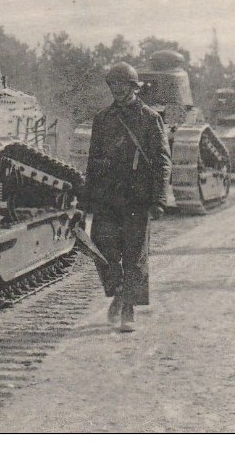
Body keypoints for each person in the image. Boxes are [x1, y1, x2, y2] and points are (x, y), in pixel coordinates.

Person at [84, 62, 172, 332]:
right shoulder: (103, 119)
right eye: (113, 85)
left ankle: (128, 309)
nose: (117, 90)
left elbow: (162, 161)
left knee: (134, 254)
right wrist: (87, 198)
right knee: (103, 249)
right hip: (108, 197)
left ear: (134, 87)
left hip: (137, 198)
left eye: (122, 84)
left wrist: (159, 198)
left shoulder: (149, 118)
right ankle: (119, 291)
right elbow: (93, 161)